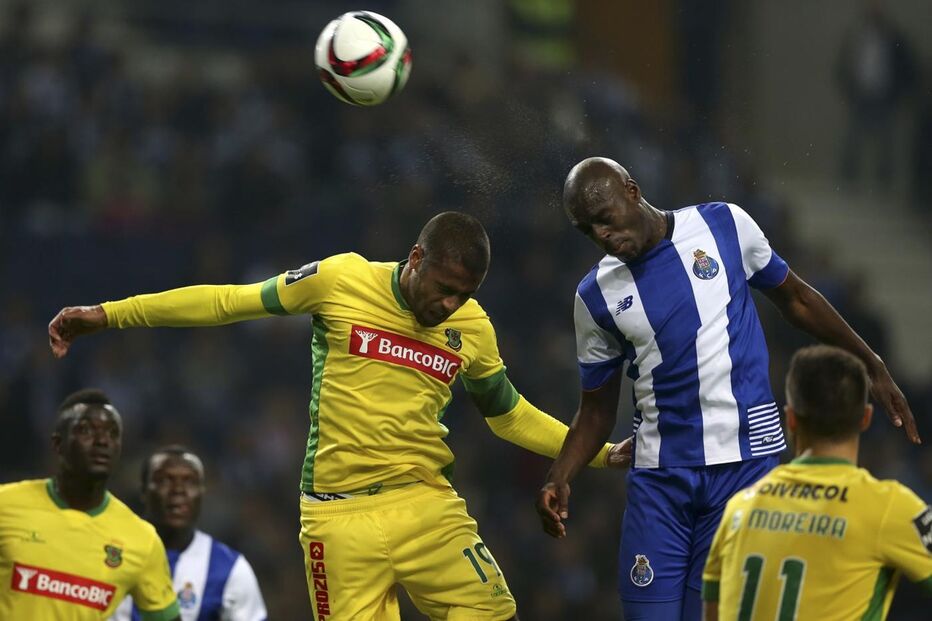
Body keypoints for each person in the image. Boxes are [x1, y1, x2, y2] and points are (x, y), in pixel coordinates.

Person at [49, 211, 628, 621]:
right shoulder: (341, 280)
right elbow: (228, 301)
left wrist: (596, 455)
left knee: (492, 608)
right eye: (445, 288)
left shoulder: (471, 328)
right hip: (336, 518)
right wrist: (110, 314)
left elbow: (508, 416)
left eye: (465, 294)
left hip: (424, 503)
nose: (450, 305)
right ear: (416, 258)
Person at [535, 157, 919, 621]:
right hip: (661, 480)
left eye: (605, 220)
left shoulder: (724, 225)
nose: (602, 237)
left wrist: (870, 361)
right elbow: (596, 412)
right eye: (588, 231)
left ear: (632, 192)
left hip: (746, 471)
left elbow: (795, 298)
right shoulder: (594, 296)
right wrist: (560, 476)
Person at [702, 345, 932, 620]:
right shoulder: (889, 507)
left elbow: (712, 612)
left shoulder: (738, 509)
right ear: (865, 418)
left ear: (790, 419)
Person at [0, 389, 180, 621]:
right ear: (58, 445)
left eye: (112, 434)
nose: (102, 441)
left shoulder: (141, 540)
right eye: (86, 430)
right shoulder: (6, 504)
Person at [110, 446, 267, 621]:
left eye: (190, 482)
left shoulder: (230, 569)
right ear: (144, 491)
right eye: (164, 480)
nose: (178, 490)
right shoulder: (108, 551)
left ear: (202, 493)